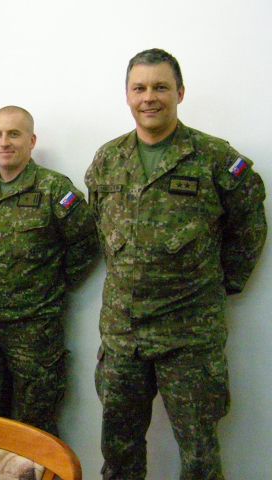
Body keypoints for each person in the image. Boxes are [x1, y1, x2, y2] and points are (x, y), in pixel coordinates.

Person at [85, 48, 267, 479]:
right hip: (123, 335)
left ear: (180, 93)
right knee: (119, 452)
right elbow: (99, 225)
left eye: (160, 87)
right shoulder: (108, 158)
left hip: (189, 337)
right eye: (139, 88)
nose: (149, 97)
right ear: (127, 95)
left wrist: (219, 285)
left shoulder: (215, 158)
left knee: (199, 457)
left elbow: (249, 228)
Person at [0, 106, 98, 436]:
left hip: (35, 334)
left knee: (35, 431)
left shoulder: (54, 190)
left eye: (14, 134)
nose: (4, 142)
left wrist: (52, 285)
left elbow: (87, 242)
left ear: (32, 140)